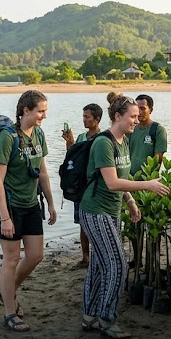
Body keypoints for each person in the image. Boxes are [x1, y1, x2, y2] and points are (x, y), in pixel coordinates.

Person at [80, 94, 169, 339]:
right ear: (117, 116)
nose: (136, 120)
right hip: (96, 211)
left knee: (99, 264)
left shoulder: (124, 141)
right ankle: (107, 320)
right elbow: (111, 182)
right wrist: (148, 185)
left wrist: (129, 201)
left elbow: (122, 178)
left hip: (111, 211)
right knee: (117, 265)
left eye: (137, 116)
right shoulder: (103, 143)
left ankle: (89, 316)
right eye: (131, 116)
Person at [0, 90, 58, 332]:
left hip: (31, 205)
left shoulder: (39, 134)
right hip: (9, 205)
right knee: (11, 259)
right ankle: (10, 312)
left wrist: (50, 202)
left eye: (45, 111)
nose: (44, 116)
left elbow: (42, 171)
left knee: (35, 255)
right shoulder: (7, 138)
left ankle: (7, 292)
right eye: (40, 111)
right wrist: (5, 217)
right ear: (25, 111)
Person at [61, 103, 103, 268]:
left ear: (97, 119)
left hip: (95, 187)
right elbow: (72, 158)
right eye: (83, 116)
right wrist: (69, 142)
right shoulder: (81, 138)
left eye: (88, 117)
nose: (84, 120)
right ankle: (85, 257)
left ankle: (98, 256)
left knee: (96, 223)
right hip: (81, 187)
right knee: (82, 223)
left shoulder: (103, 137)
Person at [126, 94, 167, 176]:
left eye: (143, 108)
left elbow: (157, 160)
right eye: (137, 109)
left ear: (151, 110)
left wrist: (150, 180)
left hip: (147, 180)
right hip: (129, 178)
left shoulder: (158, 130)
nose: (139, 112)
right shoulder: (130, 128)